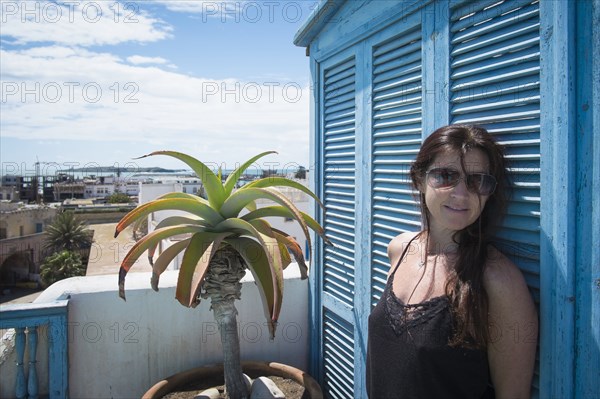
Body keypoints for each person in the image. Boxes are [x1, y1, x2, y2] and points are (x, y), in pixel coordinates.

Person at [366, 124, 538, 398]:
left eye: (477, 180)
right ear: (419, 180)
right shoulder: (399, 248)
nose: (461, 193)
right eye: (446, 175)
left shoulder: (497, 279)